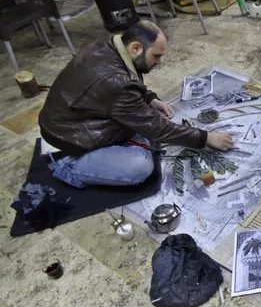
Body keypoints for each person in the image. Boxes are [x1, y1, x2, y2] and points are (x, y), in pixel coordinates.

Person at [39, 21, 233, 189]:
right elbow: (157, 129)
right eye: (156, 56)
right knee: (141, 166)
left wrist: (149, 98)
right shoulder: (115, 82)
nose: (159, 62)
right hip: (69, 142)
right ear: (136, 48)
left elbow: (127, 80)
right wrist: (205, 138)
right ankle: (70, 168)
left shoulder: (111, 45)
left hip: (69, 121)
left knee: (146, 126)